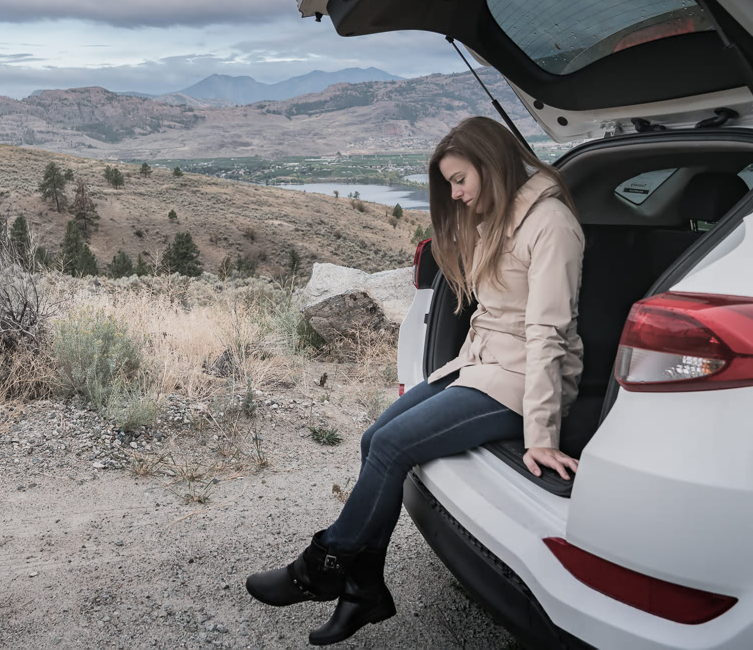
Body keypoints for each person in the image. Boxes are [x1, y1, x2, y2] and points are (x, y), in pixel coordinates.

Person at [245, 116, 585, 645]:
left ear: (491, 165)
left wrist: (541, 434)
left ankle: (319, 568)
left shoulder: (551, 225)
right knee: (372, 439)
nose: (456, 193)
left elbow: (548, 336)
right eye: (449, 184)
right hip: (482, 363)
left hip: (522, 378)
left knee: (393, 446)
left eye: (460, 180)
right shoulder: (498, 216)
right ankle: (364, 590)